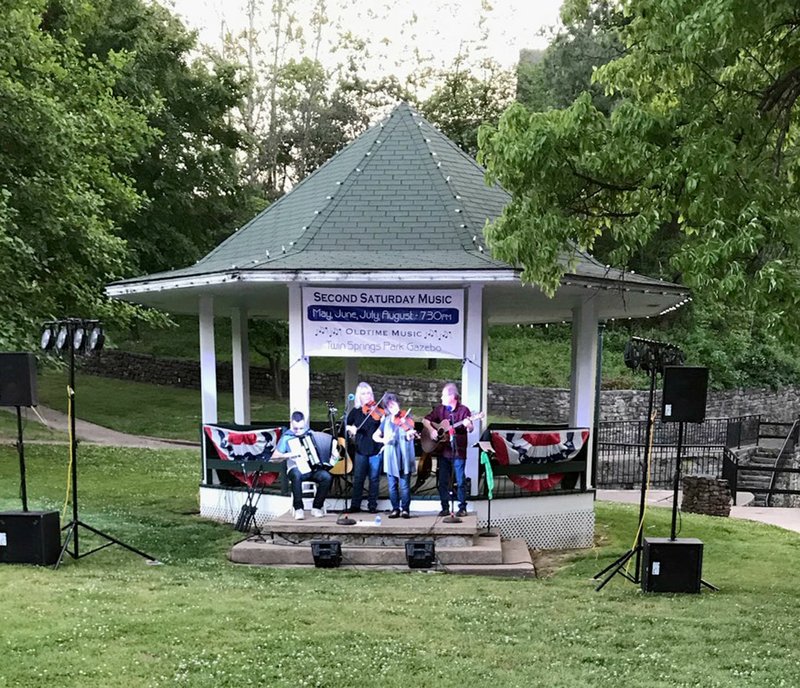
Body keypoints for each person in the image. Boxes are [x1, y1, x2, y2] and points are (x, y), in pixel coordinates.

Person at [422, 383, 473, 517]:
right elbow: (425, 420)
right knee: (443, 480)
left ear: (452, 396)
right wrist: (433, 430)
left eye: (443, 395)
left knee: (460, 480)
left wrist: (469, 425)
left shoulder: (464, 411)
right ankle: (445, 507)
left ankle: (462, 508)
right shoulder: (440, 410)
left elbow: (470, 428)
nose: (441, 397)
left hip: (459, 451)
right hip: (443, 451)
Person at [271, 411, 332, 520]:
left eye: (301, 428)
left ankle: (317, 507)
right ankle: (299, 508)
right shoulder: (287, 437)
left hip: (312, 469)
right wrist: (289, 454)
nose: (298, 432)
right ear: (291, 423)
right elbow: (274, 458)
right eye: (295, 429)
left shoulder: (311, 434)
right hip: (295, 469)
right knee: (296, 475)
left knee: (326, 477)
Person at [372, 393, 416, 519]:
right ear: (387, 409)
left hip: (403, 456)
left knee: (404, 485)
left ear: (398, 404)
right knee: (392, 486)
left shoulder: (406, 418)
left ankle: (405, 509)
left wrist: (410, 434)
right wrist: (384, 440)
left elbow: (409, 435)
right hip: (390, 457)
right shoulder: (385, 421)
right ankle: (395, 509)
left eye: (394, 404)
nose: (393, 408)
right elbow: (374, 436)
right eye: (390, 406)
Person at [345, 382, 383, 514]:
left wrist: (383, 421)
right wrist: (351, 429)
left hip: (376, 448)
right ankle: (355, 504)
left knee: (374, 478)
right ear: (358, 396)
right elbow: (346, 425)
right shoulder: (355, 412)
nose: (367, 396)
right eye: (363, 394)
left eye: (369, 393)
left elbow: (384, 427)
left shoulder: (378, 410)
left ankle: (372, 505)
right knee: (358, 478)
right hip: (361, 448)